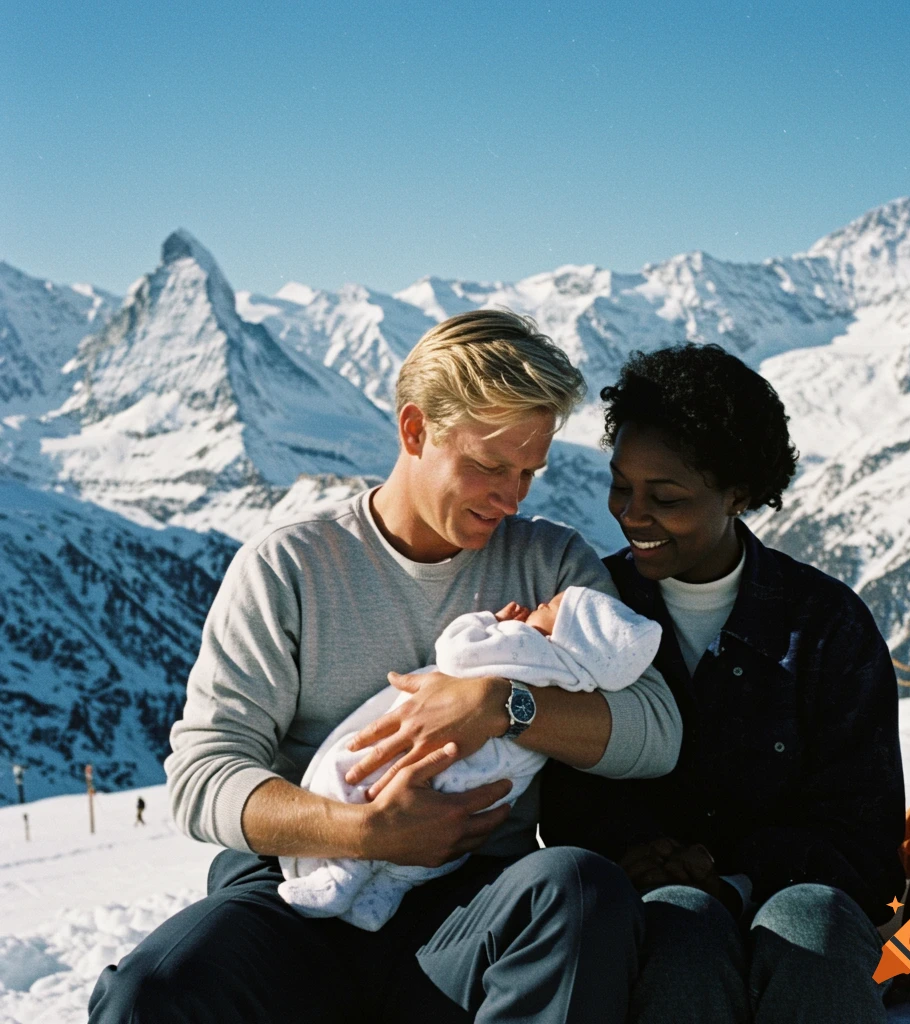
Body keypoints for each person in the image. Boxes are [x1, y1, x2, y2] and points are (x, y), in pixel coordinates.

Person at [88, 310, 682, 1024]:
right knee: (148, 995)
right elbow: (202, 775)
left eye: (529, 471)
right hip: (296, 892)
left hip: (471, 907)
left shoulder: (549, 561)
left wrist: (503, 703)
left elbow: (656, 732)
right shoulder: (290, 567)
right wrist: (366, 832)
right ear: (413, 431)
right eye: (491, 466)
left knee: (582, 888)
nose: (513, 497)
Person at [540, 343, 906, 1024]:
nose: (631, 514)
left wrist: (731, 878)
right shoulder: (592, 608)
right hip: (643, 902)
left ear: (737, 493)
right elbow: (564, 794)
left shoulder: (824, 627)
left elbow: (864, 831)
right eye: (620, 485)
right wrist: (639, 859)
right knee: (680, 929)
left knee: (813, 923)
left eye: (666, 497)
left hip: (799, 895)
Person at [278, 586, 662, 929]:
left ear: (564, 634)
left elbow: (456, 653)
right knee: (433, 844)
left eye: (553, 606)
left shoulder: (525, 645)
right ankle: (380, 897)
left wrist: (487, 622)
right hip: (487, 785)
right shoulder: (578, 684)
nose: (542, 601)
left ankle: (336, 878)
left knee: (354, 777)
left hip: (447, 756)